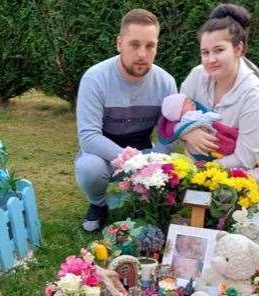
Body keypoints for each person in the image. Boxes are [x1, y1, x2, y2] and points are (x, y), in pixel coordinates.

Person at [75, 9, 177, 232]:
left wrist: (153, 162)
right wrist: (131, 162)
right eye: (134, 44)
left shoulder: (166, 82)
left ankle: (142, 202)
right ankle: (98, 205)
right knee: (88, 168)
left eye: (150, 46)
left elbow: (168, 134)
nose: (142, 53)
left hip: (143, 148)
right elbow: (89, 137)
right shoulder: (95, 78)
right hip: (103, 150)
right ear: (119, 43)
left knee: (168, 163)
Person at [180, 3, 259, 170]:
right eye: (205, 52)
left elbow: (246, 159)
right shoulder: (197, 75)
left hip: (238, 181)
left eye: (219, 50)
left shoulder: (255, 95)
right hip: (191, 170)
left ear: (238, 49)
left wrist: (202, 171)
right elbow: (176, 112)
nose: (211, 59)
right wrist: (187, 131)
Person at [158, 93, 239, 161]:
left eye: (188, 99)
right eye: (185, 102)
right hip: (200, 146)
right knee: (222, 144)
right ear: (179, 111)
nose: (190, 101)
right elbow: (182, 128)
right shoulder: (187, 118)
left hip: (210, 137)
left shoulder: (196, 113)